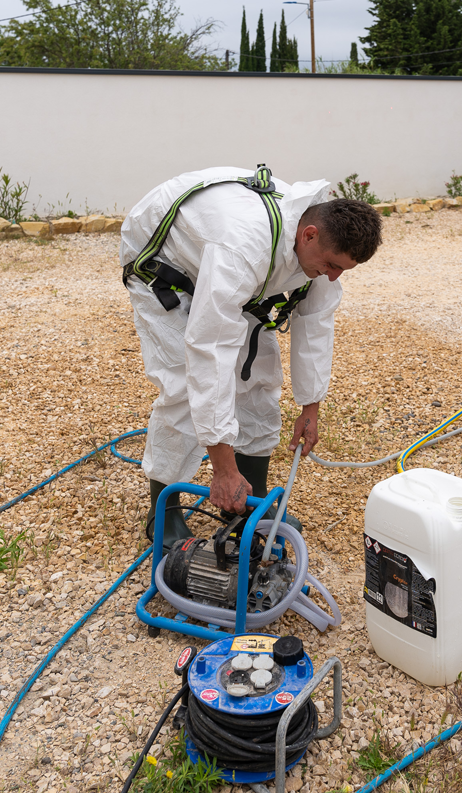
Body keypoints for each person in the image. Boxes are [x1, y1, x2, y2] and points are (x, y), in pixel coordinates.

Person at [120, 165, 383, 546]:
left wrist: (311, 407)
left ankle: (247, 501)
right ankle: (164, 513)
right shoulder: (244, 245)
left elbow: (316, 325)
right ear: (308, 235)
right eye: (331, 265)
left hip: (228, 262)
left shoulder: (320, 253)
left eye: (343, 270)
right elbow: (210, 347)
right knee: (183, 385)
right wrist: (222, 467)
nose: (332, 277)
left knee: (257, 375)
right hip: (162, 260)